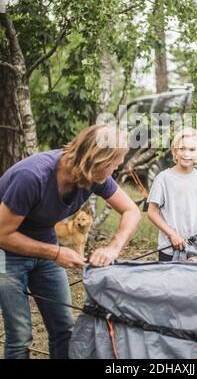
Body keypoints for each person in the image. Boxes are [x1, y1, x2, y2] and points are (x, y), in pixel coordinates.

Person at [0, 124, 141, 359]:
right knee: (20, 335)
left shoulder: (94, 176)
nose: (116, 168)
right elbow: (2, 234)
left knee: (64, 328)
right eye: (114, 162)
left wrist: (113, 248)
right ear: (96, 159)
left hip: (45, 245)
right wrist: (56, 253)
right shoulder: (32, 177)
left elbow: (131, 211)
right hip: (7, 252)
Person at [147, 127, 197, 262]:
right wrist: (172, 235)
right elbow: (152, 213)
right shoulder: (163, 178)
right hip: (170, 248)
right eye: (182, 149)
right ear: (175, 151)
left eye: (192, 150)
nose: (186, 154)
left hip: (195, 247)